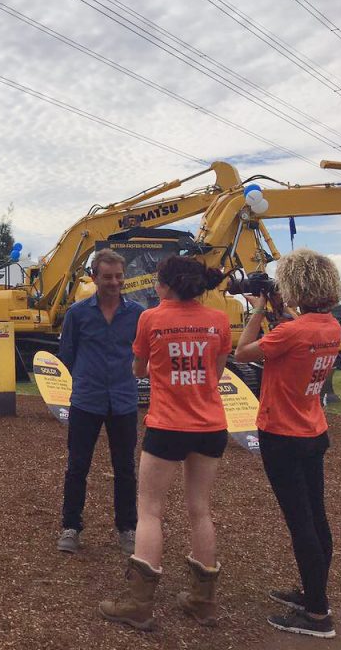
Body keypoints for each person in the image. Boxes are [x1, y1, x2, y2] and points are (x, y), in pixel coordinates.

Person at [99, 256, 229, 631]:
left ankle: (139, 604)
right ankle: (203, 601)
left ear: (166, 285)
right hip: (210, 424)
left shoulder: (150, 318)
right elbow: (216, 372)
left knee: (150, 509)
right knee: (200, 509)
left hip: (168, 424)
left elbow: (138, 369)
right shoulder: (218, 320)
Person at [235, 249, 341, 639]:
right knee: (316, 517)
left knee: (301, 523)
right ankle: (314, 594)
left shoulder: (291, 331)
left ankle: (317, 615)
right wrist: (278, 312)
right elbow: (293, 339)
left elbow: (242, 352)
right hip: (313, 430)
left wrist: (258, 312)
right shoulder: (330, 326)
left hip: (282, 433)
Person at [56, 248, 144, 556]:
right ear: (94, 277)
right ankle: (70, 527)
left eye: (119, 276)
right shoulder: (77, 314)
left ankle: (127, 528)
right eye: (107, 277)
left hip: (123, 401)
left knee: (125, 468)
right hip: (86, 400)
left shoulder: (137, 314)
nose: (114, 282)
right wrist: (87, 376)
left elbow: (143, 353)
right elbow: (66, 355)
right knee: (77, 466)